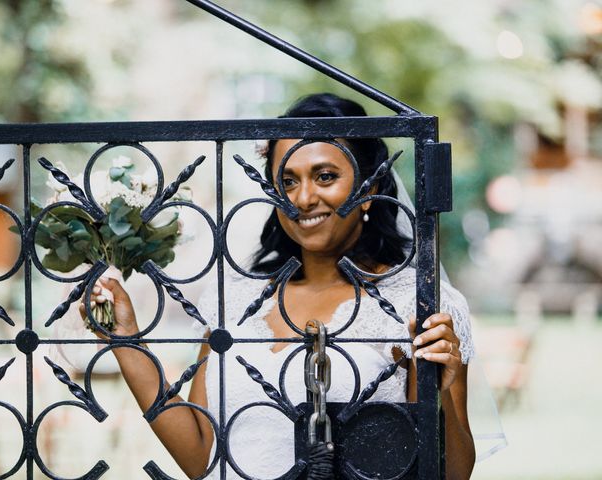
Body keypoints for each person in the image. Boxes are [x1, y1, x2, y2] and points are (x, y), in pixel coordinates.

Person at [84, 93, 476, 480]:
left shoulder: (417, 304)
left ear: (370, 188)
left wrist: (439, 390)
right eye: (288, 181)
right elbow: (201, 457)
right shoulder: (235, 301)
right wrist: (125, 338)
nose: (303, 198)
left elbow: (453, 473)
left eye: (325, 176)